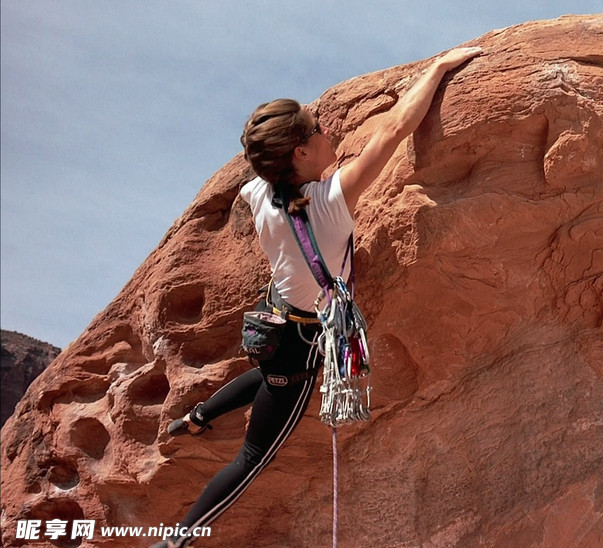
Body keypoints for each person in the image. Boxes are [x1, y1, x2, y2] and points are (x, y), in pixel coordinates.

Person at [149, 46, 482, 548]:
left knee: (266, 377)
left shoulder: (260, 192)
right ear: (300, 154)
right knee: (254, 454)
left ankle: (197, 418)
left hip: (270, 316)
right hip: (300, 340)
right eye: (316, 130)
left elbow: (268, 170)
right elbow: (393, 131)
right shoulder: (329, 205)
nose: (329, 134)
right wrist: (436, 69)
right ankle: (178, 539)